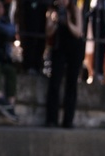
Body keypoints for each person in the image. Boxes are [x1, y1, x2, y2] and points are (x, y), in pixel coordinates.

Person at [45, 0, 85, 128]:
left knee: (71, 83)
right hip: (59, 47)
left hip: (74, 47)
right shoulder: (52, 11)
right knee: (54, 82)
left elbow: (78, 32)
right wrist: (55, 22)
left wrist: (68, 21)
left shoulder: (75, 10)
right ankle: (52, 119)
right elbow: (48, 31)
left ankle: (68, 120)